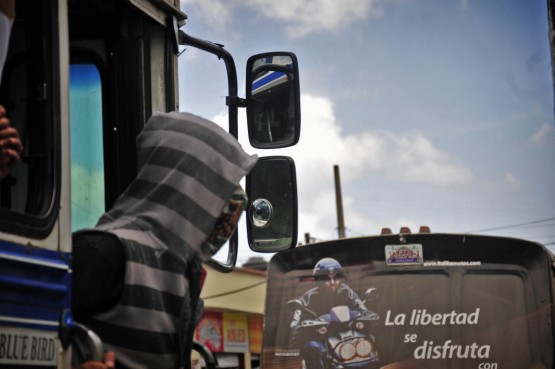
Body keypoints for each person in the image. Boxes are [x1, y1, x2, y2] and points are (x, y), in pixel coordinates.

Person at [72, 111, 258, 369]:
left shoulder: (180, 272)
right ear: (187, 185)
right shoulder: (103, 252)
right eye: (222, 187)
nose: (235, 203)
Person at [288, 257, 379, 369]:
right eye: (327, 279)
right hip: (322, 338)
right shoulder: (307, 299)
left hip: (348, 336)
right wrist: (300, 326)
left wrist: (367, 314)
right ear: (319, 280)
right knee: (311, 347)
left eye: (336, 278)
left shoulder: (347, 291)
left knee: (371, 338)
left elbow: (362, 307)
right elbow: (295, 324)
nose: (332, 282)